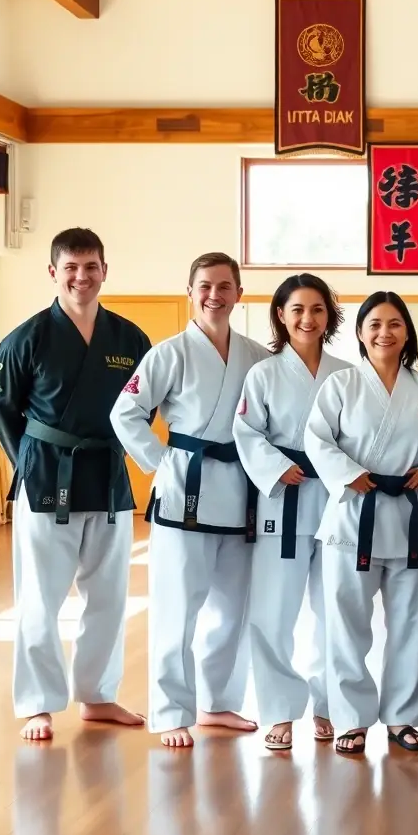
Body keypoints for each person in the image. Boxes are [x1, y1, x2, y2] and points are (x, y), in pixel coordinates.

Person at [0, 227, 151, 742]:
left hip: (107, 477)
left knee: (109, 594)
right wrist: (31, 460)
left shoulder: (129, 339)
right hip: (46, 477)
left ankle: (97, 695)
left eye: (91, 266)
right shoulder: (26, 338)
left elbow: (144, 406)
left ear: (105, 271)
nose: (82, 277)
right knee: (41, 596)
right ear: (53, 272)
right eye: (71, 267)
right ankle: (38, 703)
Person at [110, 252, 269, 748]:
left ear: (239, 293)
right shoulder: (169, 353)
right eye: (205, 286)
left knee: (232, 608)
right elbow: (125, 412)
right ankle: (170, 712)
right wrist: (160, 462)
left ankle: (217, 703)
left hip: (241, 491)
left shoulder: (257, 356)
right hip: (186, 491)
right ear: (190, 291)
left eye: (224, 286)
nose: (214, 295)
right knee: (177, 608)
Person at [303, 292, 418, 756]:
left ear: (407, 332)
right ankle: (351, 719)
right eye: (375, 324)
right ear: (361, 333)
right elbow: (317, 439)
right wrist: (349, 474)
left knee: (413, 623)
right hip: (353, 518)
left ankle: (403, 717)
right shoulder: (341, 385)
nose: (385, 332)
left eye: (394, 324)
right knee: (346, 624)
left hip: (410, 519)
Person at [233, 274, 353, 751]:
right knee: (273, 611)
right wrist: (276, 467)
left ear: (330, 316)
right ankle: (279, 711)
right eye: (297, 309)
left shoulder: (347, 374)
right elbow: (247, 431)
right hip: (283, 498)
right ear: (281, 315)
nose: (308, 319)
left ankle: (328, 704)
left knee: (334, 608)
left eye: (317, 309)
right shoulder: (263, 373)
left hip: (336, 500)